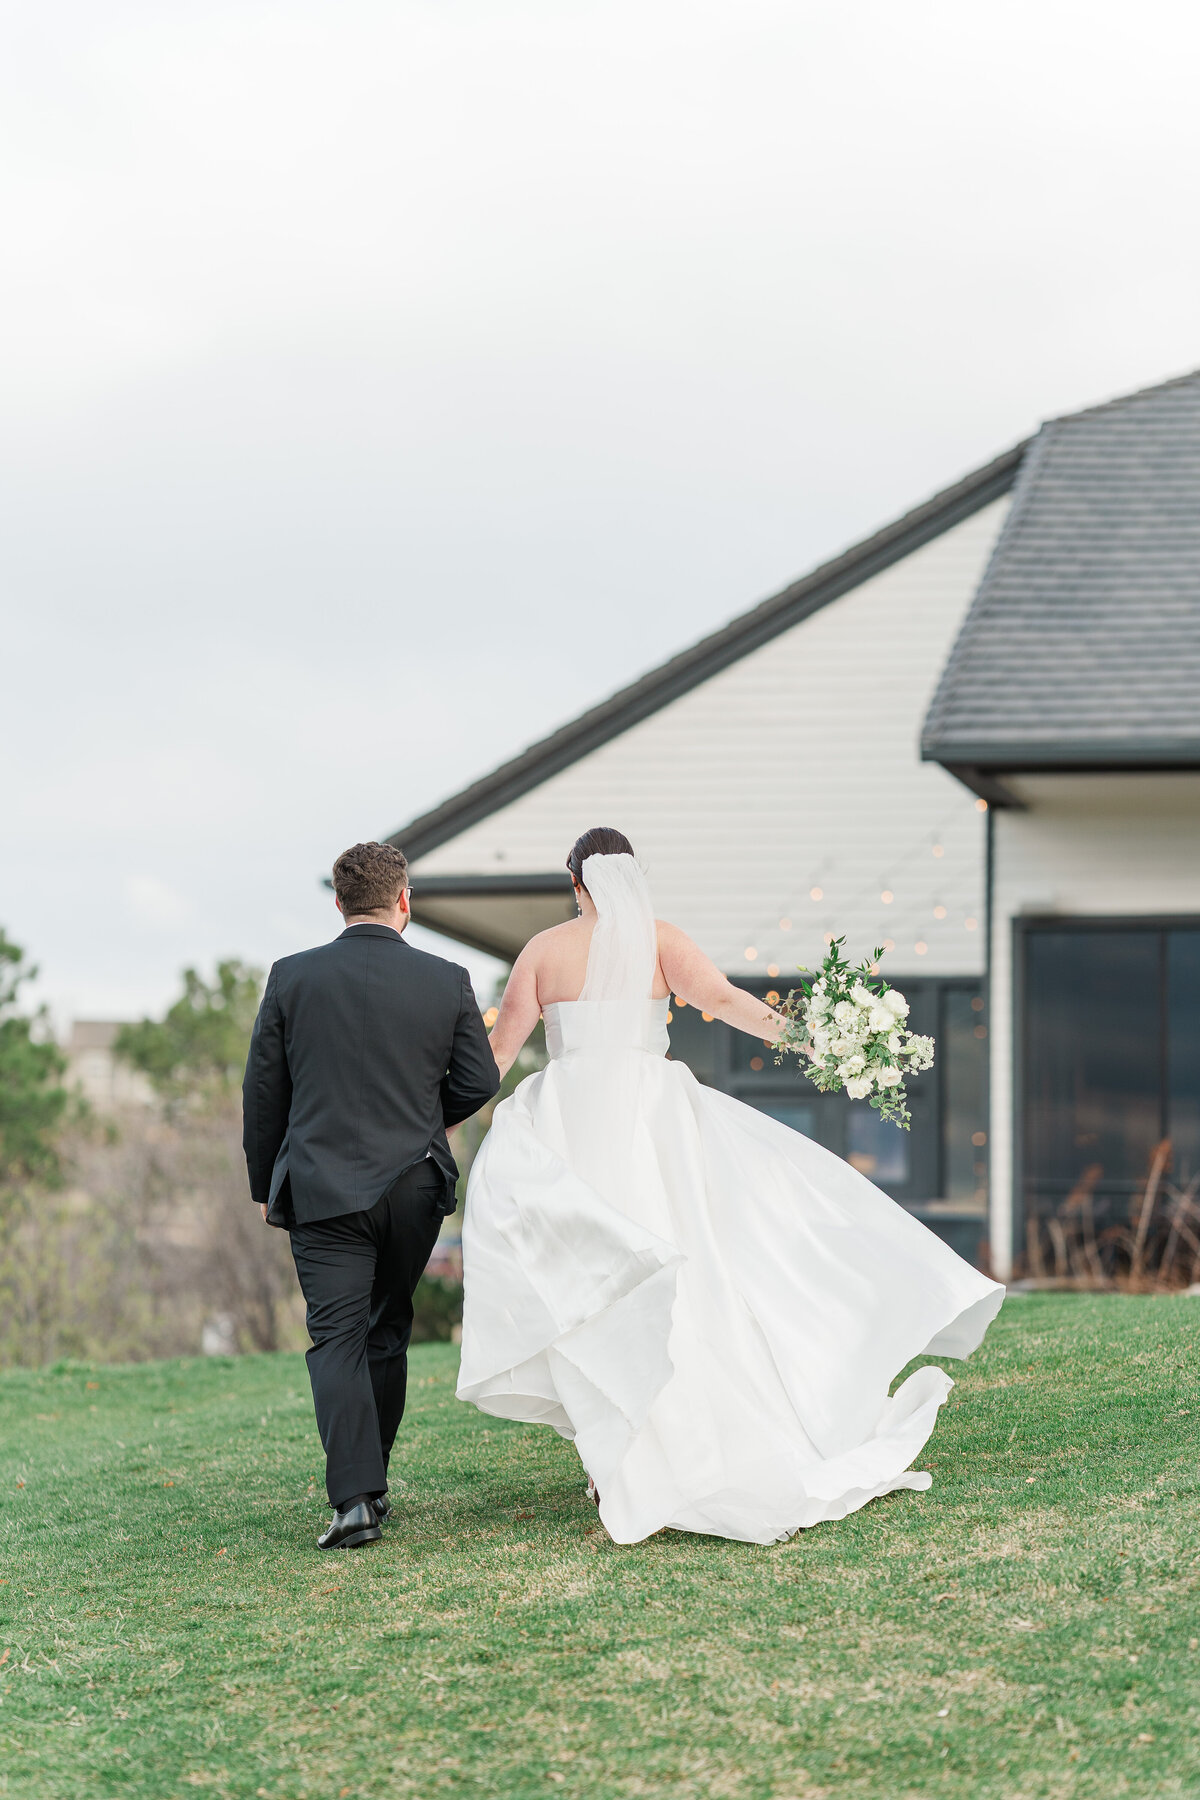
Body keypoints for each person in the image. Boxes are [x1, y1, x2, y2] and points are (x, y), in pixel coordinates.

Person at [456, 827, 1003, 1546]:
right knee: (692, 1273)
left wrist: (434, 1118)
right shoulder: (661, 939)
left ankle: (615, 1454)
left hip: (569, 1124)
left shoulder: (542, 951)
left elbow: (497, 1054)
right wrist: (808, 1037)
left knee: (589, 1284)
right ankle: (653, 1447)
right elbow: (721, 999)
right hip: (653, 1119)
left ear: (577, 883)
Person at [243, 841, 499, 1550]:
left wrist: (264, 1184)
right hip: (414, 1184)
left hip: (321, 1186)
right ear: (404, 900)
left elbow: (264, 1092)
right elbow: (479, 1081)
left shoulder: (292, 976)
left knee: (337, 1335)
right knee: (386, 1329)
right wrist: (423, 1121)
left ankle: (356, 1499)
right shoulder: (447, 979)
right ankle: (370, 1483)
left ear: (339, 902)